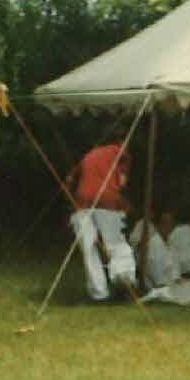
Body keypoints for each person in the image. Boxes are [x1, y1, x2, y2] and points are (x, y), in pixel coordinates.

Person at [67, 128, 139, 303]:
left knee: (89, 248)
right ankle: (125, 282)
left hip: (82, 200)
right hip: (106, 200)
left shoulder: (91, 153)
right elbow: (121, 182)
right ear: (122, 141)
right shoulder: (122, 153)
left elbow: (70, 179)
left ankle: (99, 294)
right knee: (115, 243)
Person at [128, 206, 181, 291]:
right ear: (158, 225)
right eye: (164, 223)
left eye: (170, 223)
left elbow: (176, 271)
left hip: (174, 284)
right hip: (159, 288)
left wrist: (178, 281)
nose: (168, 227)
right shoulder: (154, 244)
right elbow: (157, 278)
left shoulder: (171, 244)